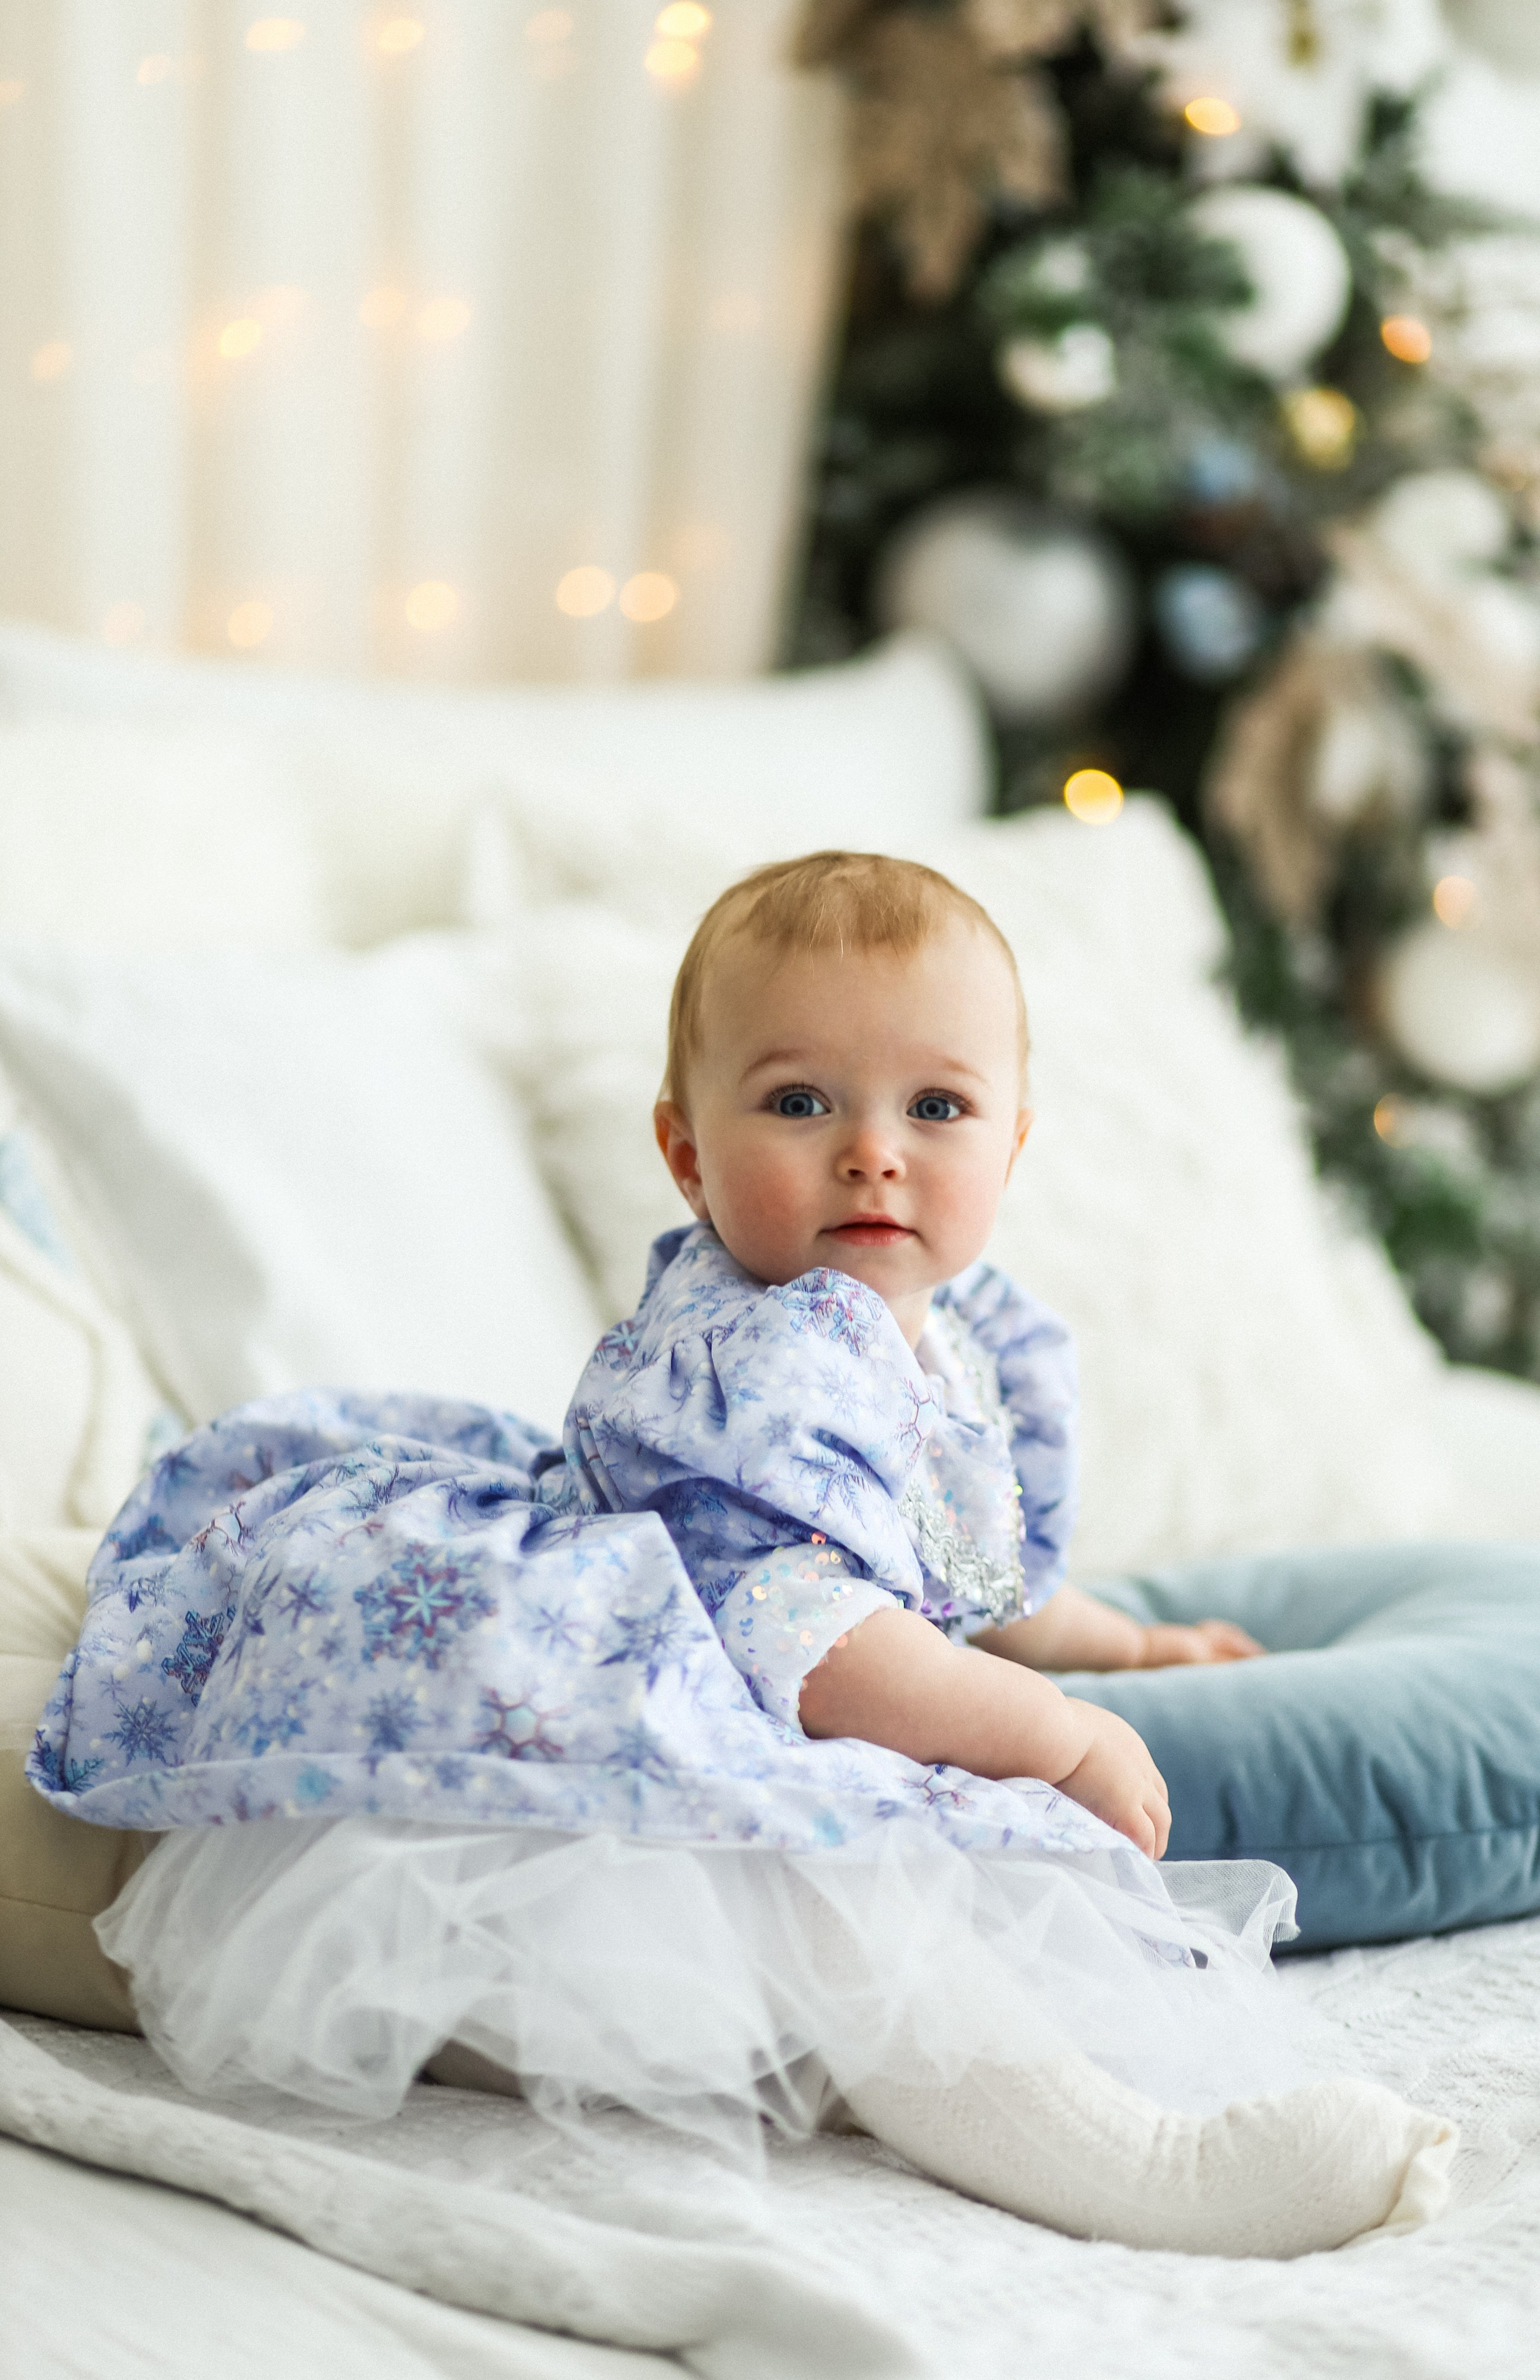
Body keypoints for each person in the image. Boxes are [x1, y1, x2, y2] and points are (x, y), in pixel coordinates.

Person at [33, 851, 1453, 2257]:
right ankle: (1132, 2166)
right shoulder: (762, 1357)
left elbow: (954, 1569)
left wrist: (1119, 1645)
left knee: (907, 1897)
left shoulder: (966, 1345)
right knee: (849, 1886)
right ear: (686, 1154)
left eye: (936, 1107)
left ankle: (897, 2081)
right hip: (634, 1694)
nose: (873, 1150)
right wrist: (1052, 1729)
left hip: (787, 1663)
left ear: (1012, 1144)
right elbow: (802, 1626)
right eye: (798, 1102)